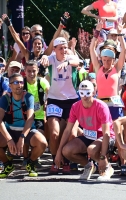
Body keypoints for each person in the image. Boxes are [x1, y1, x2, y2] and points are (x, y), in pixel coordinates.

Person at [55, 80, 115, 180]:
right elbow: (67, 130)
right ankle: (89, 166)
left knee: (91, 150)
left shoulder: (101, 106)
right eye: (82, 93)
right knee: (66, 151)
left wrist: (103, 156)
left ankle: (107, 168)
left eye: (88, 92)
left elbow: (106, 133)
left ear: (93, 92)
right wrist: (59, 151)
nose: (85, 96)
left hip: (104, 136)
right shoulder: (75, 106)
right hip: (88, 136)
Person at [40, 37, 80, 174]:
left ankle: (67, 160)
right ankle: (55, 160)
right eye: (60, 48)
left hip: (72, 100)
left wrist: (67, 61)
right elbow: (45, 57)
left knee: (72, 134)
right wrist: (44, 57)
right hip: (54, 100)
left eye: (65, 47)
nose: (63, 50)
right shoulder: (51, 58)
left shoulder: (70, 57)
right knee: (54, 133)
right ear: (55, 50)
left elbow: (77, 62)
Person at [0, 73, 47, 178]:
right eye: (16, 82)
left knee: (42, 143)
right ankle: (7, 165)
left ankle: (30, 163)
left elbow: (30, 119)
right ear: (10, 86)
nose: (19, 85)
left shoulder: (28, 97)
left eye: (21, 82)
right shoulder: (5, 98)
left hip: (27, 131)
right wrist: (8, 139)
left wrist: (22, 137)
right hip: (10, 130)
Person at [90, 19, 126, 120]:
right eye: (104, 59)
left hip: (114, 104)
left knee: (116, 131)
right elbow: (91, 48)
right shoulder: (98, 67)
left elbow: (124, 50)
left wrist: (120, 34)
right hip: (101, 103)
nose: (106, 62)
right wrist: (97, 32)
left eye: (109, 60)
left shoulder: (117, 67)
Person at [21, 60, 50, 168]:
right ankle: (25, 158)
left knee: (38, 136)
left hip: (39, 115)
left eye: (34, 71)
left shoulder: (42, 81)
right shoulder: (22, 83)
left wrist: (47, 101)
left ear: (38, 70)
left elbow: (49, 92)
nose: (31, 73)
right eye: (29, 71)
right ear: (25, 71)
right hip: (24, 116)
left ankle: (34, 158)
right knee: (24, 136)